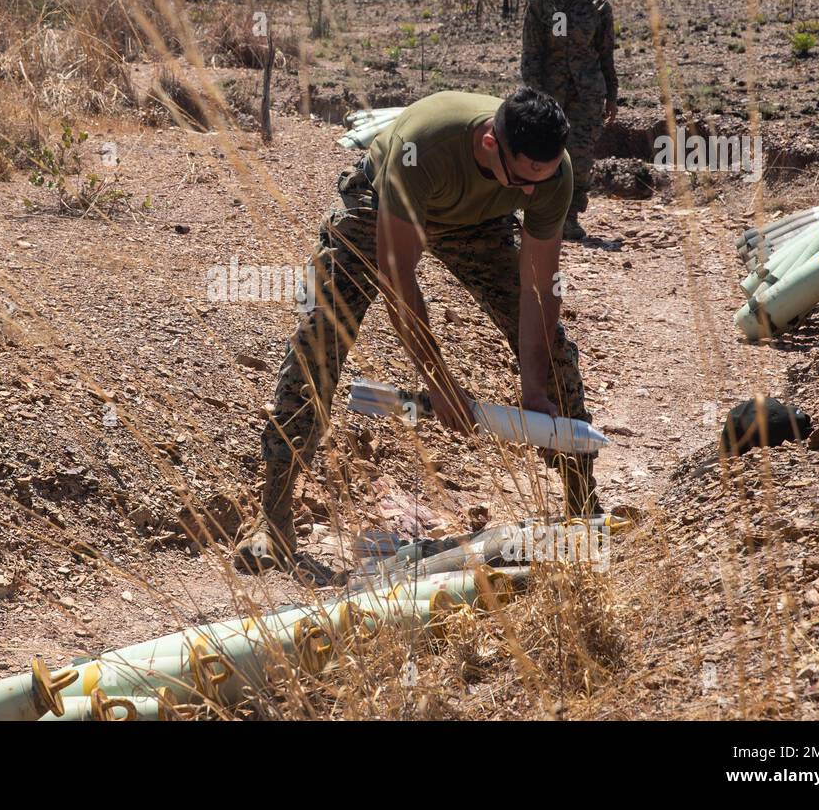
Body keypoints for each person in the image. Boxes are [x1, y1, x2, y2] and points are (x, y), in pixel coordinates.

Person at [235, 88, 600, 575]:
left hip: (479, 218)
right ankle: (273, 517)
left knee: (554, 353)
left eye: (544, 179)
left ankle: (582, 506)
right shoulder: (422, 148)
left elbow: (539, 290)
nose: (533, 192)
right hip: (380, 204)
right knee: (320, 337)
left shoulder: (549, 171)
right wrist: (438, 380)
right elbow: (397, 275)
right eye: (524, 181)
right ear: (491, 143)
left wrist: (534, 385)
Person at [520, 0, 618, 242]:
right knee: (542, 152)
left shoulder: (599, 5)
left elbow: (606, 54)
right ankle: (539, 214)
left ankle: (570, 217)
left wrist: (612, 95)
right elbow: (531, 52)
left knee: (579, 155)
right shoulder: (541, 1)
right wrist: (532, 96)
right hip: (548, 93)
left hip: (587, 93)